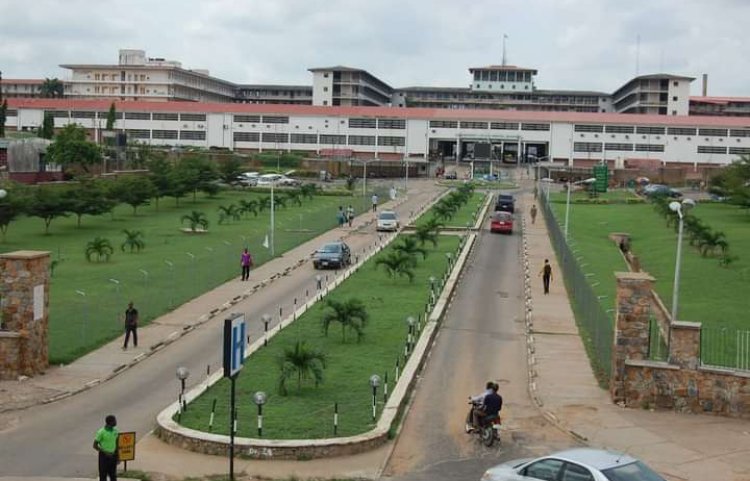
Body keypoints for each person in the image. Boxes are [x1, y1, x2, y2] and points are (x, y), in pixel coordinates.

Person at [93, 414, 119, 481]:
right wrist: (105, 452)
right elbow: (95, 445)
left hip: (113, 456)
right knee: (103, 476)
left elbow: (117, 443)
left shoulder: (116, 431)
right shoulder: (101, 432)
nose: (116, 422)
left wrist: (118, 456)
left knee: (113, 476)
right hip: (104, 457)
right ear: (110, 422)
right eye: (115, 420)